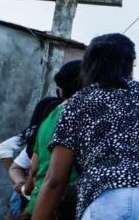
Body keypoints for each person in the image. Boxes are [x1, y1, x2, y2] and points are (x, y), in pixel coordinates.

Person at [32, 33, 139, 220]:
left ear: (89, 66)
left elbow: (55, 180)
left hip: (111, 192)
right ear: (130, 64)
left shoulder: (79, 102)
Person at [24, 60, 85, 220]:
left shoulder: (49, 117)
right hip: (63, 209)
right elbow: (55, 180)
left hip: (38, 205)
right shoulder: (80, 114)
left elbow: (34, 167)